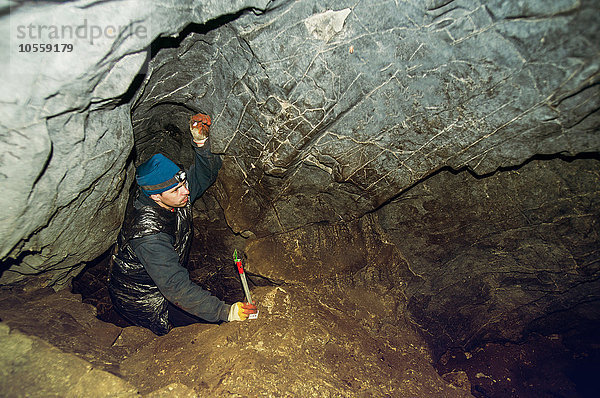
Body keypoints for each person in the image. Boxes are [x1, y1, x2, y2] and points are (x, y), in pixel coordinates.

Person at [108, 112, 257, 335]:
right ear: (156, 197)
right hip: (143, 298)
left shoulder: (174, 194)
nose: (186, 191)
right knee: (209, 330)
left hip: (161, 279)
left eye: (184, 183)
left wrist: (201, 142)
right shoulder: (149, 236)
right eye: (177, 189)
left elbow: (204, 175)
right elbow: (175, 288)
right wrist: (225, 312)